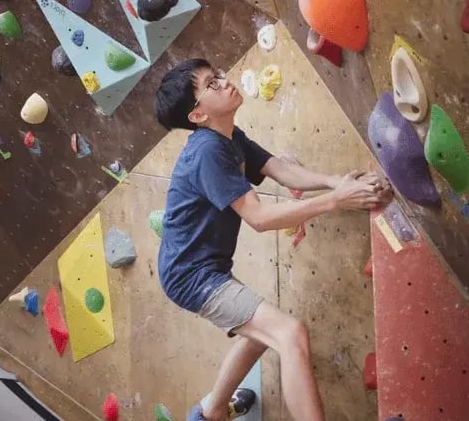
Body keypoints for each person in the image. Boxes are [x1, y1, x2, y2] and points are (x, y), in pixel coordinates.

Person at [153, 59, 393, 421]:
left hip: (203, 267)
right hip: (191, 277)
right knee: (289, 334)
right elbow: (260, 219)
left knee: (257, 332)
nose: (224, 81)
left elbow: (279, 169)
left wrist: (335, 182)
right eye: (211, 84)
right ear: (198, 115)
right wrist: (336, 200)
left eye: (218, 75)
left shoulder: (228, 136)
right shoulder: (206, 152)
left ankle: (210, 412)